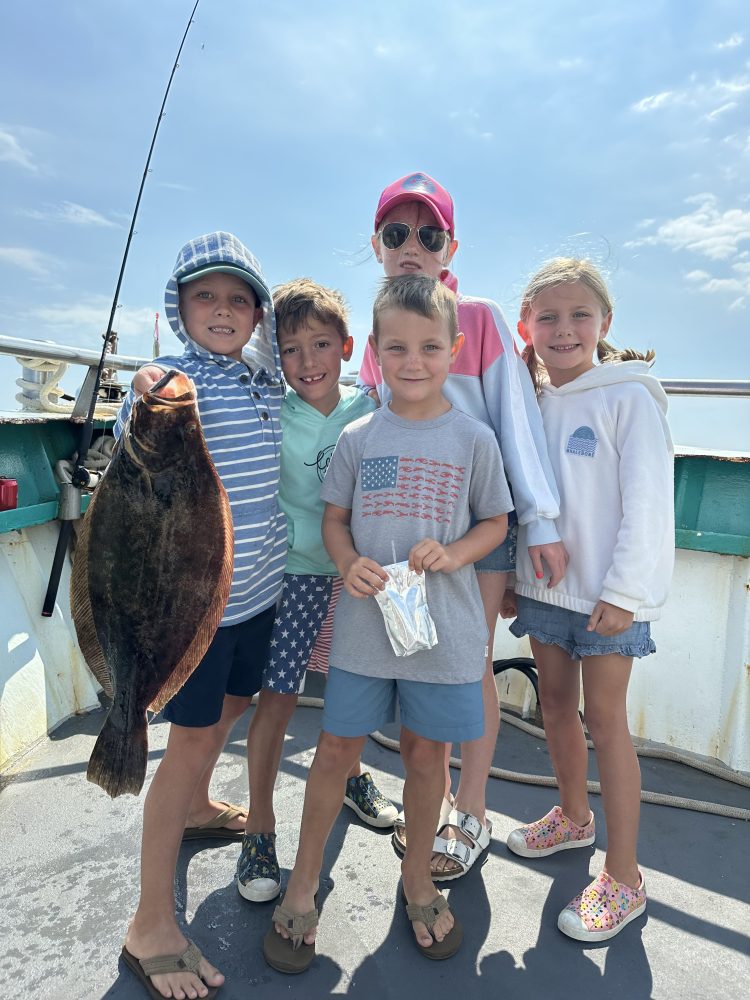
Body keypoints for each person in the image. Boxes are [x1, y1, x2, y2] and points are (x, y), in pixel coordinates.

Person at [262, 273, 513, 974]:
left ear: (455, 350)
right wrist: (347, 565)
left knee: (426, 755)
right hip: (366, 633)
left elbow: (496, 521)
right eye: (397, 347)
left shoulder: (475, 440)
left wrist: (457, 551)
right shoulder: (361, 435)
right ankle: (305, 880)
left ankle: (417, 877)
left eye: (430, 346)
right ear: (374, 351)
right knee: (336, 751)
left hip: (445, 638)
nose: (413, 361)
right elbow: (334, 519)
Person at [357, 171, 566, 880]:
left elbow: (518, 419)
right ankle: (434, 798)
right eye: (395, 233)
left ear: (450, 246)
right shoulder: (376, 335)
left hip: (479, 525)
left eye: (428, 233)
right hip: (406, 533)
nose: (411, 246)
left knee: (467, 664)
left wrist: (538, 523)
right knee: (421, 658)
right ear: (377, 246)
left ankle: (470, 810)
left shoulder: (476, 318)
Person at [118, 231, 286, 999]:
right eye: (204, 297)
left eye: (238, 299)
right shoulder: (171, 382)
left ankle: (193, 808)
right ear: (179, 307)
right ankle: (151, 920)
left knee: (232, 705)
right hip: (197, 609)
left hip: (258, 596)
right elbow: (134, 448)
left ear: (258, 314)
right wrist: (146, 391)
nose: (221, 311)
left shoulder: (261, 380)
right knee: (187, 743)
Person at [506, 257, 674, 942]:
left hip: (609, 597)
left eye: (580, 315)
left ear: (605, 323)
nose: (564, 328)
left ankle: (625, 876)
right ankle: (574, 819)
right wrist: (516, 579)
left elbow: (647, 503)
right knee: (552, 706)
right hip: (545, 589)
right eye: (548, 316)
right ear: (527, 327)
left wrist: (626, 592)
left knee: (604, 720)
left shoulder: (629, 396)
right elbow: (528, 497)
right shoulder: (534, 401)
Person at [237, 278, 397, 905]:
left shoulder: (373, 406)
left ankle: (352, 777)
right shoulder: (270, 408)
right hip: (293, 575)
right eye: (292, 349)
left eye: (321, 344)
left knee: (347, 695)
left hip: (357, 574)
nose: (308, 362)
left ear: (349, 348)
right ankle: (259, 826)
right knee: (277, 700)